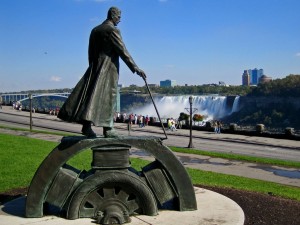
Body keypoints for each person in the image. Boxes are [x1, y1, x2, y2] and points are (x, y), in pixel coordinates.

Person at [57, 7, 146, 138]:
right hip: (108, 68)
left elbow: (90, 52)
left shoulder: (95, 30)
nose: (120, 20)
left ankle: (86, 127)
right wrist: (136, 68)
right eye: (119, 17)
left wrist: (93, 67)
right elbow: (123, 51)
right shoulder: (113, 30)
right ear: (113, 15)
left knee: (91, 96)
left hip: (95, 66)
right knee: (109, 97)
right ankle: (108, 128)